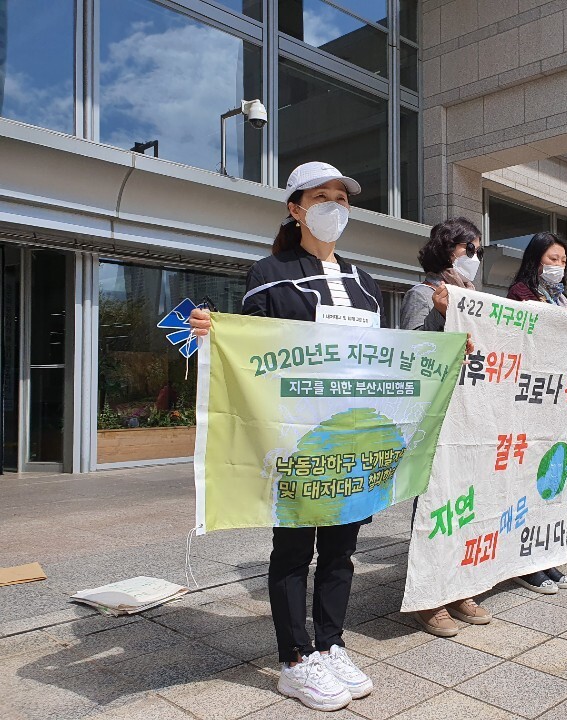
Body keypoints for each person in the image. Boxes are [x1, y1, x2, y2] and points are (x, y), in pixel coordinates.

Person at [189, 162, 379, 712]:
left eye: (343, 198)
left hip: (351, 438)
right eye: (322, 197)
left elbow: (383, 357)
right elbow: (251, 354)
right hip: (295, 438)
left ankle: (332, 643)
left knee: (342, 549)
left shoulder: (364, 282)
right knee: (294, 550)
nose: (335, 207)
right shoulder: (269, 274)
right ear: (295, 208)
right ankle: (295, 660)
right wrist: (211, 332)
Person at [398, 217, 493, 637]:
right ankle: (428, 596)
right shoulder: (424, 293)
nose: (474, 258)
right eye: (467, 249)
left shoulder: (474, 297)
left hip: (469, 414)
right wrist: (441, 315)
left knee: (464, 501)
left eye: (478, 251)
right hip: (437, 415)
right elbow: (412, 349)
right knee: (436, 503)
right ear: (445, 251)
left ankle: (458, 585)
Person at [506, 232, 567, 592]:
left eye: (563, 260)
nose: (559, 266)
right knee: (525, 482)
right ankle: (523, 561)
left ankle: (544, 555)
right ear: (535, 260)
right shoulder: (520, 293)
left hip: (557, 404)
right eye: (552, 259)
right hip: (530, 401)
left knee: (550, 480)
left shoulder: (561, 297)